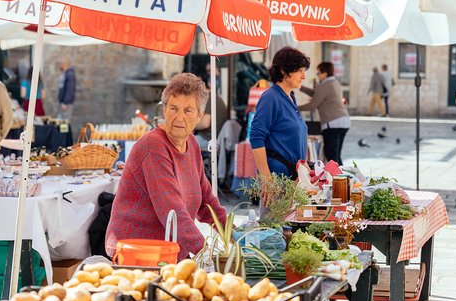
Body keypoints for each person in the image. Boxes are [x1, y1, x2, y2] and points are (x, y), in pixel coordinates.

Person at [105, 73, 227, 260]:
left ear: (199, 115)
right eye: (173, 108)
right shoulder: (154, 146)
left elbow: (206, 201)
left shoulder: (192, 143)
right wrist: (205, 252)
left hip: (170, 251)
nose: (179, 117)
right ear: (164, 111)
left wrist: (234, 234)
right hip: (138, 252)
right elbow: (172, 210)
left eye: (187, 110)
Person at [250, 47, 309, 180]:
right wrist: (266, 178)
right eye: (299, 70)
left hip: (293, 177)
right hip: (277, 177)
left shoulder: (291, 97)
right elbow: (256, 136)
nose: (304, 76)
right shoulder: (271, 97)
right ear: (283, 71)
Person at [299, 62, 350, 165]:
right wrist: (300, 87)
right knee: (336, 155)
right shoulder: (335, 83)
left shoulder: (324, 85)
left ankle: (339, 178)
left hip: (332, 123)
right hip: (344, 121)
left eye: (318, 73)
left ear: (325, 73)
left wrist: (295, 108)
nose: (317, 75)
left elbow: (313, 104)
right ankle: (342, 177)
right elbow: (317, 94)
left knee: (331, 157)